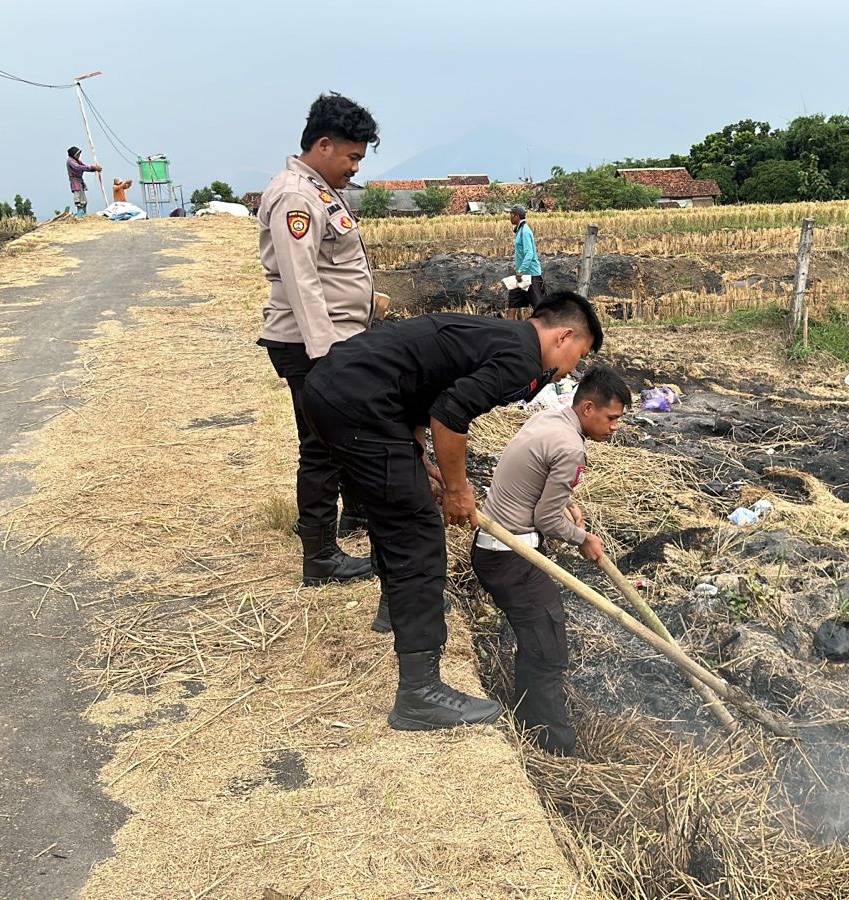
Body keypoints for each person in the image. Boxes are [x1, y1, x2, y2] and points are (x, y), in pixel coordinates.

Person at [300, 291, 604, 731]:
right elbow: (450, 413)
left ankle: (394, 608)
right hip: (357, 402)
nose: (572, 367)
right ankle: (420, 694)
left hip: (340, 390)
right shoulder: (521, 357)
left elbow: (424, 391)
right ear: (565, 336)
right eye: (579, 354)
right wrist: (459, 488)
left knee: (399, 506)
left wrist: (417, 455)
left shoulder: (500, 337)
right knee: (419, 531)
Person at [256, 92, 391, 586]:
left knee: (342, 434)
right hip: (313, 345)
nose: (355, 167)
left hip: (333, 339)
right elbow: (301, 280)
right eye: (352, 156)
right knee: (321, 445)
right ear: (324, 144)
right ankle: (320, 557)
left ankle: (352, 515)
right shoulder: (296, 195)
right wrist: (330, 356)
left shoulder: (318, 188)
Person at [471, 366, 628, 755]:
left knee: (539, 638)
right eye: (611, 419)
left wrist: (569, 502)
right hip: (511, 555)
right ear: (588, 408)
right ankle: (553, 745)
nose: (614, 429)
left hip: (494, 546)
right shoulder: (572, 448)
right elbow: (545, 519)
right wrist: (583, 539)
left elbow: (537, 476)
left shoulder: (551, 418)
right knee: (548, 649)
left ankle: (526, 715)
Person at [505, 204, 544, 319]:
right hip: (521, 276)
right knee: (512, 303)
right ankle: (509, 329)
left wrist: (521, 270)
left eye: (511, 215)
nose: (510, 217)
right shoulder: (520, 230)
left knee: (539, 308)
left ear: (517, 216)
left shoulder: (525, 232)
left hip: (531, 275)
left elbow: (529, 253)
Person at [66, 147, 102, 215]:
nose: (78, 156)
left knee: (84, 200)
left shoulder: (78, 161)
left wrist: (94, 169)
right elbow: (78, 167)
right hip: (75, 182)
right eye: (77, 154)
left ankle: (83, 215)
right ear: (73, 154)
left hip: (80, 182)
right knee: (79, 200)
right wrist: (92, 167)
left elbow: (84, 167)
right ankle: (80, 215)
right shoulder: (70, 161)